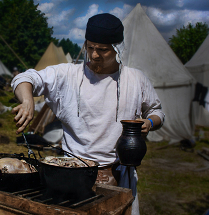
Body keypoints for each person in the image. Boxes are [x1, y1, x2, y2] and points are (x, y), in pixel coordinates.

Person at [11, 13, 165, 215]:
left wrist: (149, 123)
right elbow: (25, 78)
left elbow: (157, 111)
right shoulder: (68, 75)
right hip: (71, 173)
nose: (94, 55)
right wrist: (27, 99)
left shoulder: (135, 80)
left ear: (118, 48)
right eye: (90, 47)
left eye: (102, 50)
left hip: (119, 173)